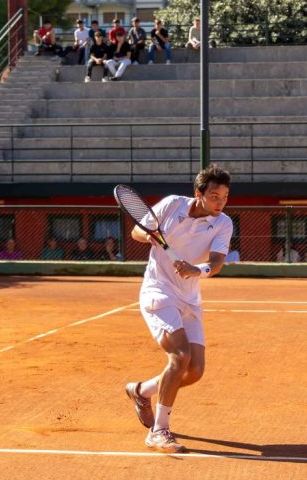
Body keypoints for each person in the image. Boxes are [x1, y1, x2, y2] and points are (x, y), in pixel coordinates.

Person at [124, 164, 232, 454]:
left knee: (195, 371)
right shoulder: (172, 204)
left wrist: (196, 269)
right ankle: (159, 431)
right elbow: (137, 230)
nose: (220, 202)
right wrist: (149, 235)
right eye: (214, 196)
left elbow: (218, 262)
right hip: (158, 291)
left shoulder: (223, 223)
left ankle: (141, 391)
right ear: (198, 193)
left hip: (190, 298)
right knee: (180, 356)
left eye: (224, 197)